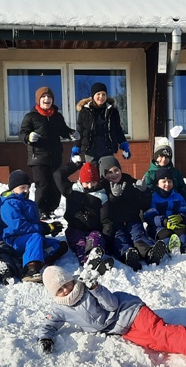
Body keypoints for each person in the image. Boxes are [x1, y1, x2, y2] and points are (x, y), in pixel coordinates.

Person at [39, 266, 186, 367]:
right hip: (123, 329)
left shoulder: (87, 289)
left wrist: (96, 289)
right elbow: (50, 323)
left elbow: (112, 305)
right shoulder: (60, 308)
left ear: (71, 280)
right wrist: (45, 337)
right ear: (54, 293)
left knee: (161, 333)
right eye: (60, 289)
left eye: (67, 284)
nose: (66, 290)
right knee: (158, 344)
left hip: (130, 311)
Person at [19, 86, 79, 219]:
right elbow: (22, 133)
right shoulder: (30, 116)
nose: (47, 99)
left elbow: (63, 130)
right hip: (38, 157)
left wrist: (71, 133)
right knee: (43, 184)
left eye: (49, 97)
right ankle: (40, 209)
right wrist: (28, 137)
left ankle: (52, 208)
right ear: (38, 100)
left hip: (55, 157)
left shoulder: (57, 116)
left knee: (55, 183)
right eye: (43, 97)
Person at [98, 155, 167, 271]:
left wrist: (144, 192)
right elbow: (104, 210)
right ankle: (128, 255)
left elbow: (143, 205)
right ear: (104, 174)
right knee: (120, 239)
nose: (114, 174)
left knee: (139, 236)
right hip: (115, 223)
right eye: (109, 172)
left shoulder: (130, 182)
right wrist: (113, 197)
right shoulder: (102, 188)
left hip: (133, 219)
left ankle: (150, 253)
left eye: (116, 170)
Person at [0, 170, 68, 283]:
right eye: (22, 187)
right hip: (15, 240)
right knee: (35, 237)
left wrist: (49, 226)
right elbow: (19, 226)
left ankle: (36, 260)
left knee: (60, 246)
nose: (26, 190)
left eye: (27, 187)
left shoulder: (29, 203)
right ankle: (29, 270)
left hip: (32, 239)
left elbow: (34, 223)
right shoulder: (9, 204)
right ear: (13, 189)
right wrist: (43, 229)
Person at [54, 160, 115, 273]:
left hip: (94, 229)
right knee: (80, 242)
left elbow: (106, 220)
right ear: (81, 181)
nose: (90, 186)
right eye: (86, 182)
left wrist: (108, 240)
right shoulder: (72, 190)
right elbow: (58, 175)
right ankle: (87, 261)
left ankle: (95, 256)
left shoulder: (101, 196)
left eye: (93, 182)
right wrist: (74, 165)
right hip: (74, 229)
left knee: (96, 238)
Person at [144, 167, 186, 255]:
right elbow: (150, 215)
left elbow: (184, 210)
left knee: (182, 232)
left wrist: (180, 217)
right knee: (165, 235)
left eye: (170, 181)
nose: (167, 184)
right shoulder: (153, 197)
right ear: (157, 184)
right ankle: (171, 248)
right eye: (164, 181)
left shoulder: (178, 197)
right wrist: (164, 221)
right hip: (158, 226)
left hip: (175, 224)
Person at [75, 82, 129, 164]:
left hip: (107, 150)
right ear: (93, 96)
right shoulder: (84, 111)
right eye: (98, 94)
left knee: (108, 174)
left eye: (104, 94)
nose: (101, 97)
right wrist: (76, 148)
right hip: (90, 151)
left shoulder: (112, 111)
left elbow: (118, 129)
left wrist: (123, 144)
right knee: (92, 175)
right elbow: (80, 131)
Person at [143, 137, 186, 208]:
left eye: (167, 157)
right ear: (156, 157)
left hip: (174, 205)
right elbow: (147, 192)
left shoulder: (176, 173)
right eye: (161, 156)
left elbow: (182, 189)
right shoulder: (150, 174)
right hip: (157, 206)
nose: (164, 159)